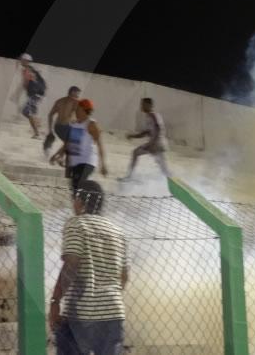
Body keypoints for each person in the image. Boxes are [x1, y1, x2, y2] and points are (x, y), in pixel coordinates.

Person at [49, 180, 128, 355]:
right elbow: (124, 276)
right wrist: (107, 297)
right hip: (114, 312)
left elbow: (71, 264)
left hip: (82, 312)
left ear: (80, 201)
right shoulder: (117, 231)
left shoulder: (77, 224)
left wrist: (55, 301)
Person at [51, 99, 108, 190]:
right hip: (74, 162)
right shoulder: (73, 124)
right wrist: (58, 154)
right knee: (74, 190)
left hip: (87, 161)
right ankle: (85, 201)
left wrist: (103, 164)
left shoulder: (91, 124)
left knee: (79, 187)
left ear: (84, 110)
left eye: (78, 109)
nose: (75, 111)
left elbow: (100, 145)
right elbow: (68, 143)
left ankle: (89, 199)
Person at [118, 98, 170, 181]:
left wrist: (153, 143)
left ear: (149, 105)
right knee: (162, 166)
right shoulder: (149, 116)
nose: (141, 106)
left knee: (136, 153)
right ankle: (170, 179)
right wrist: (133, 136)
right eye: (141, 104)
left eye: (143, 104)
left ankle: (129, 177)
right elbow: (145, 133)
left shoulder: (153, 115)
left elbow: (159, 128)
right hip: (155, 144)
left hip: (157, 144)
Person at [10, 53, 47, 138]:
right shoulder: (31, 69)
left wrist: (18, 94)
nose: (20, 61)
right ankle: (38, 128)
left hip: (35, 94)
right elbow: (29, 82)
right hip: (37, 94)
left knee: (27, 112)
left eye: (21, 59)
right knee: (29, 112)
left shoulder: (27, 70)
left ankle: (37, 133)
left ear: (26, 61)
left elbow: (26, 83)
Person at [44, 86, 81, 156]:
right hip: (64, 127)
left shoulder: (59, 101)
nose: (78, 96)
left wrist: (50, 130)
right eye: (77, 94)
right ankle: (57, 157)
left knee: (70, 143)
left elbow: (50, 115)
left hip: (57, 127)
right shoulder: (75, 102)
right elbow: (80, 117)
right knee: (71, 143)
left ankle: (54, 153)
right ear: (72, 92)